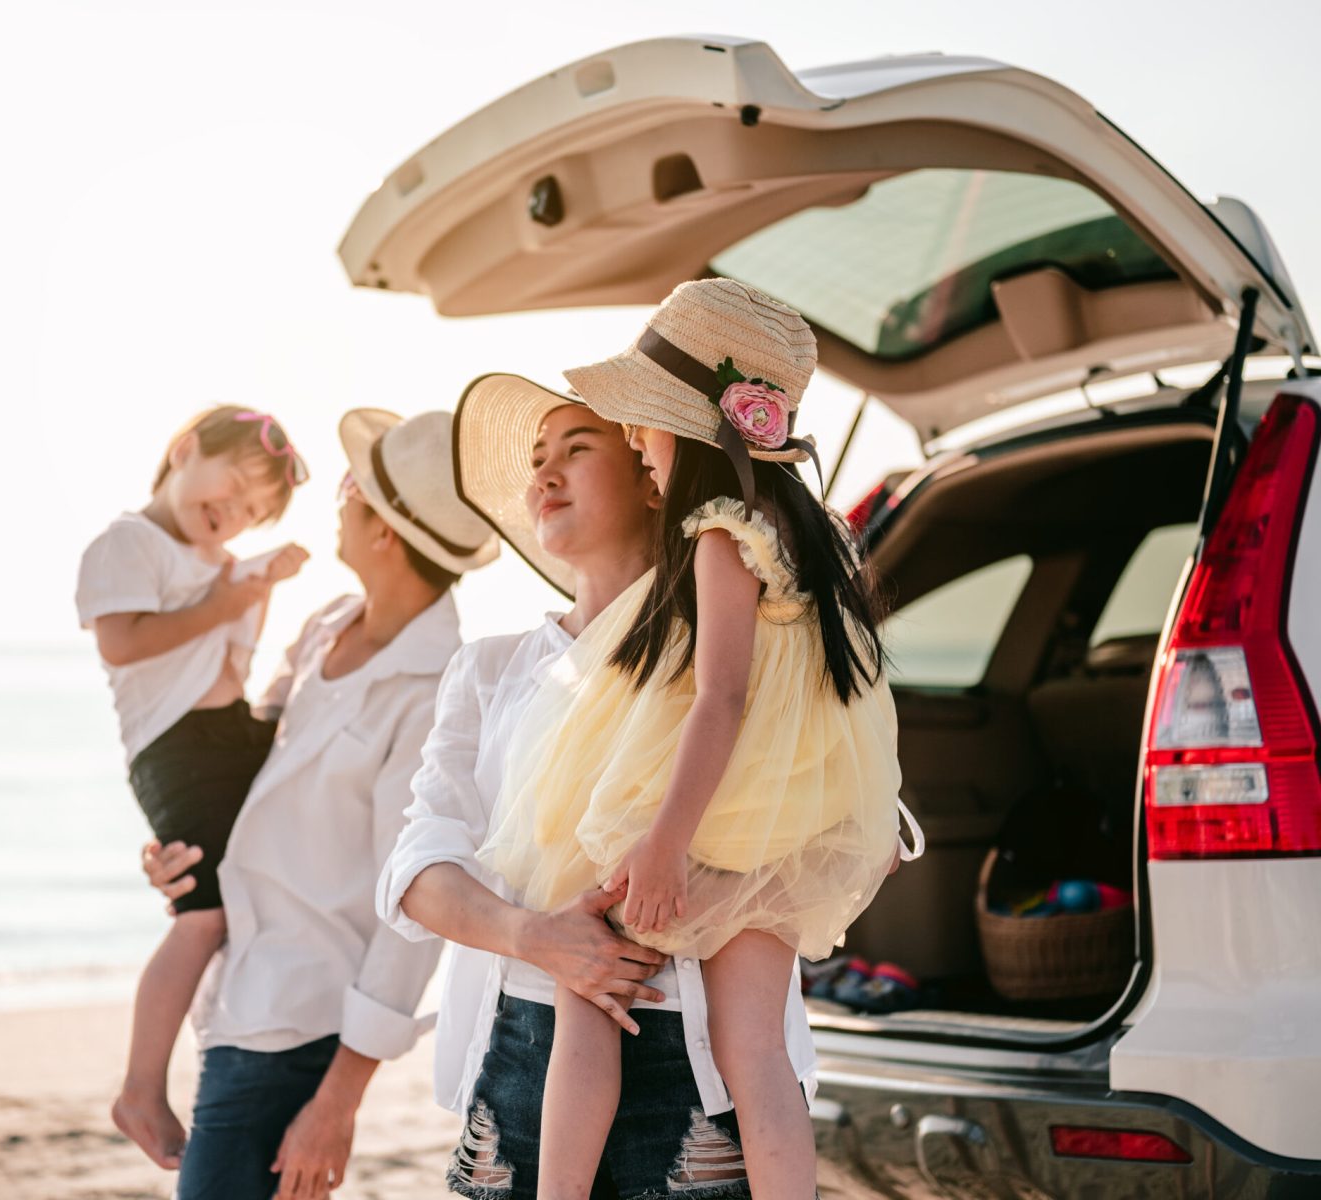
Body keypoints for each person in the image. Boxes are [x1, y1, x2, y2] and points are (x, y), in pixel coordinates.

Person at [478, 279, 923, 1198]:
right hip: (787, 824)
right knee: (755, 1049)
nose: (640, 443)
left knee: (591, 1002)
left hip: (699, 807)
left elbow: (720, 697)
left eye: (643, 425)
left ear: (689, 429)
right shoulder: (817, 538)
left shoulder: (721, 535)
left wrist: (665, 843)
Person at [377, 376, 830, 1200]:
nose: (543, 475)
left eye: (575, 451)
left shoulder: (745, 633)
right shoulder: (487, 669)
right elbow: (416, 869)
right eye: (536, 460)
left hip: (704, 1069)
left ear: (650, 472)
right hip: (524, 1052)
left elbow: (835, 825)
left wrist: (710, 884)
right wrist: (534, 935)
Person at [143, 408, 500, 1198]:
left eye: (352, 490)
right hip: (240, 995)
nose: (337, 498)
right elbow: (240, 775)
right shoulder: (323, 627)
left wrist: (337, 1103)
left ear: (384, 533)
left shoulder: (432, 696)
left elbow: (416, 916)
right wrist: (179, 845)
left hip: (301, 1030)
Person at [76, 405, 311, 1168]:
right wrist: (230, 598)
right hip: (174, 749)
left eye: (253, 510)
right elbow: (125, 640)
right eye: (234, 484)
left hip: (230, 730)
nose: (234, 512)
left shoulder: (222, 570)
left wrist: (259, 590)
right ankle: (140, 1088)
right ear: (184, 450)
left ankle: (243, 1050)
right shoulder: (128, 542)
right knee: (202, 915)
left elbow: (233, 666)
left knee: (263, 896)